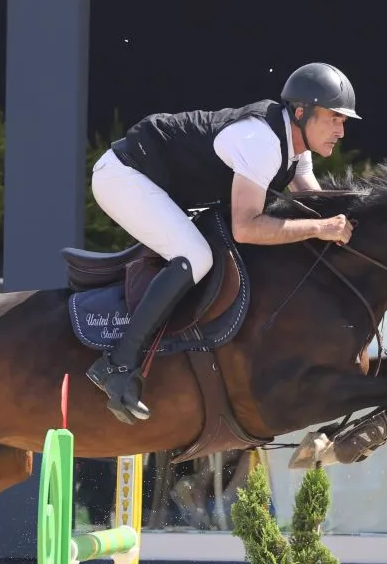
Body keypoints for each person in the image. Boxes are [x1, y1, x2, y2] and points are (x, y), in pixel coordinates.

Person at [84, 62, 361, 424]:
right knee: (195, 256)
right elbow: (247, 227)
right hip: (123, 176)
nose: (341, 130)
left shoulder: (297, 148)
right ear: (301, 112)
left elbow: (317, 204)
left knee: (204, 252)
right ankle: (117, 365)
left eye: (343, 120)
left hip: (160, 185)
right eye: (334, 118)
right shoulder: (261, 141)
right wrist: (320, 228)